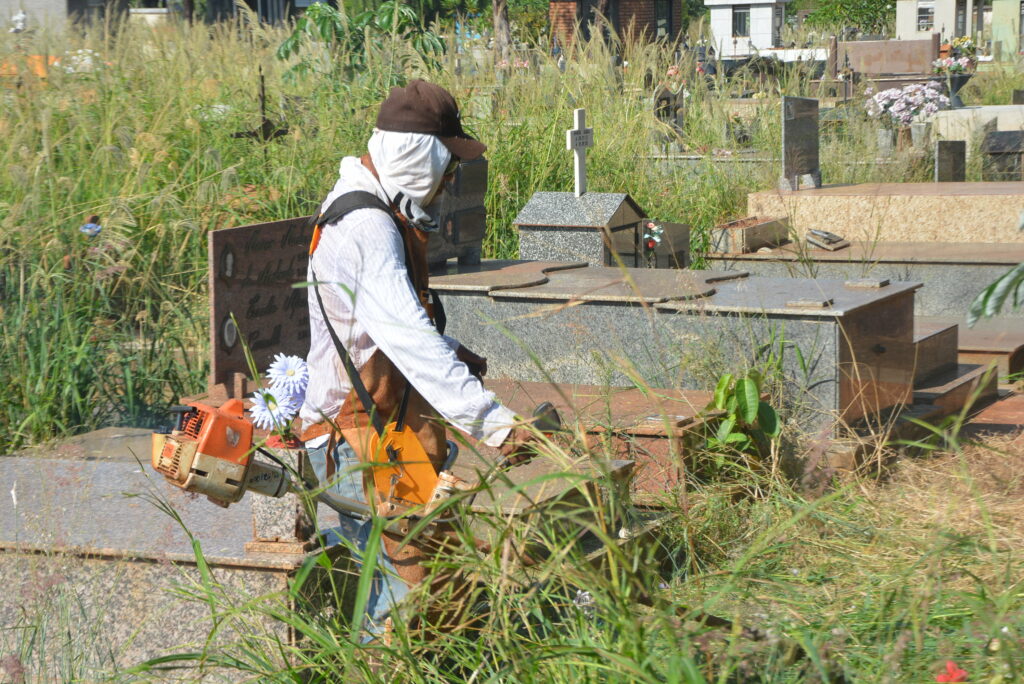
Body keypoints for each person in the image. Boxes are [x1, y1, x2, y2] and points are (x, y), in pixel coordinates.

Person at [299, 80, 534, 636]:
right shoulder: (368, 226)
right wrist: (494, 425)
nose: (451, 179)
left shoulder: (378, 212)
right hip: (355, 444)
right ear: (416, 157)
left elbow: (377, 328)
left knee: (449, 576)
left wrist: (452, 352)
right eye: (446, 164)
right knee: (419, 588)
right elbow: (407, 336)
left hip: (385, 434)